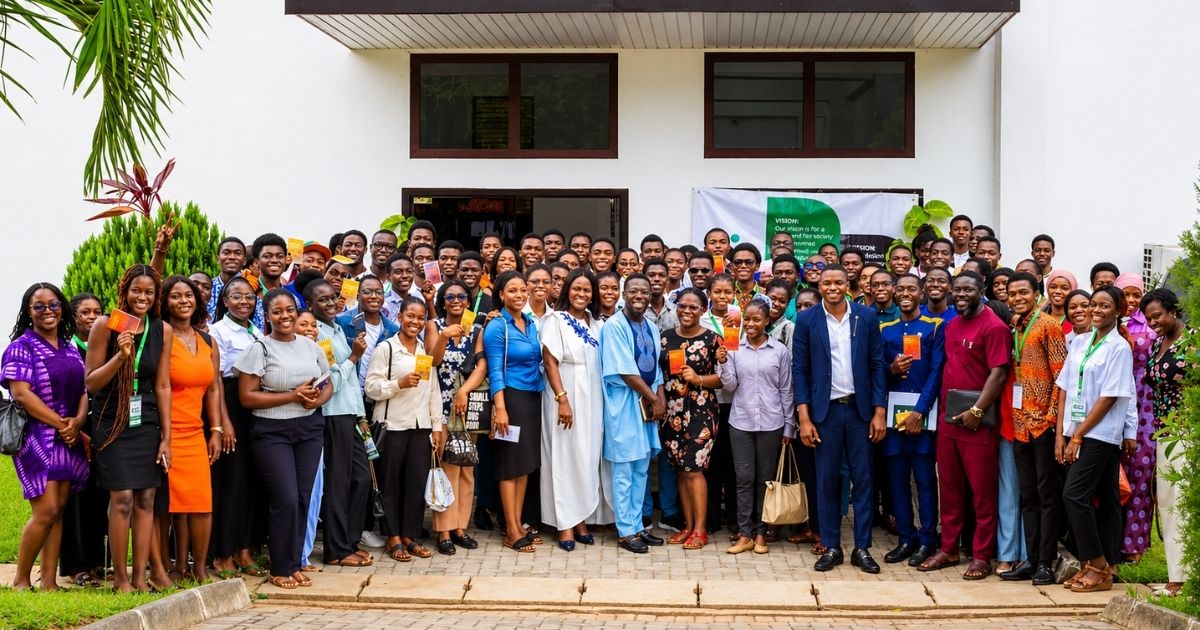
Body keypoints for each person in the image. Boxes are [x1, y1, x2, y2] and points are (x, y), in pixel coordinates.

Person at [793, 264, 887, 574]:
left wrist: (879, 412)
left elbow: (876, 366)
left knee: (863, 479)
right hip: (825, 413)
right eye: (826, 283)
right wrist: (804, 419)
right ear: (818, 286)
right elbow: (801, 371)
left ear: (849, 284)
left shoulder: (866, 316)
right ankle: (832, 545)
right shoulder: (807, 320)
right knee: (827, 480)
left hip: (859, 412)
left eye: (838, 282)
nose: (832, 287)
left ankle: (861, 547)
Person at [84, 265, 173, 593]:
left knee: (147, 498)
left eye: (149, 292)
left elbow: (162, 386)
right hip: (111, 420)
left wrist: (167, 438)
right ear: (125, 290)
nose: (143, 297)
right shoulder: (105, 325)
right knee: (121, 498)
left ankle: (140, 576)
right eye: (137, 290)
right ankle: (120, 580)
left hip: (146, 419)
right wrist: (121, 358)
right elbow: (91, 383)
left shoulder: (161, 329)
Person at [235, 289, 331, 589]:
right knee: (286, 499)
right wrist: (293, 395)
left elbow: (327, 383)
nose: (285, 316)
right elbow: (247, 397)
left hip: (309, 429)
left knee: (302, 498)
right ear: (267, 316)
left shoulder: (310, 345)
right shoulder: (259, 348)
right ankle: (279, 567)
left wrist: (318, 401)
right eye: (277, 312)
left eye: (290, 310)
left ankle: (294, 564)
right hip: (271, 432)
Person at [918, 271, 1011, 580]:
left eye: (968, 289)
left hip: (977, 423)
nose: (961, 294)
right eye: (956, 289)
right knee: (951, 489)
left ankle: (982, 555)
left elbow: (998, 373)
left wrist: (977, 409)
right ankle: (949, 549)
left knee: (982, 493)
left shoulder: (994, 327)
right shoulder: (950, 325)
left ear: (981, 290)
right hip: (948, 422)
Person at [3, 283, 90, 591]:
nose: (48, 311)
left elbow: (84, 389)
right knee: (46, 510)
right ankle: (21, 580)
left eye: (53, 305)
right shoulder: (20, 347)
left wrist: (77, 422)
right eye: (39, 306)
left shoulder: (69, 346)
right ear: (29, 312)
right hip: (36, 436)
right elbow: (22, 394)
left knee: (60, 509)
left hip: (69, 436)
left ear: (62, 308)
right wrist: (61, 424)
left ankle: (50, 583)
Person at [1057, 286, 1137, 593]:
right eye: (1093, 305)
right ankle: (1106, 564)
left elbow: (1108, 397)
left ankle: (1097, 564)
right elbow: (1065, 385)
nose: (1096, 310)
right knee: (1107, 497)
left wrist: (1078, 436)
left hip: (1100, 434)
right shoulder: (1080, 340)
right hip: (1077, 430)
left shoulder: (1120, 348)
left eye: (1105, 306)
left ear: (1118, 311)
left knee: (1073, 494)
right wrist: (1063, 435)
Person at [1000, 272, 1067, 586]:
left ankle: (1045, 562)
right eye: (1012, 293)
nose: (1016, 298)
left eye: (1023, 292)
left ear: (1036, 293)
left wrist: (1053, 420)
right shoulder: (1017, 326)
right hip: (1019, 424)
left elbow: (1061, 379)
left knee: (1046, 496)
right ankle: (1030, 559)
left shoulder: (1049, 326)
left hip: (1043, 425)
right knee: (1027, 495)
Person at [365, 297, 443, 562]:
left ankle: (410, 536)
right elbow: (371, 388)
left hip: (420, 427)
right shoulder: (386, 349)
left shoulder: (424, 351)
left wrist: (437, 427)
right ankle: (392, 537)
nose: (415, 322)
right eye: (410, 316)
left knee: (414, 483)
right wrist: (398, 383)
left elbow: (434, 391)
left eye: (420, 318)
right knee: (390, 483)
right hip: (392, 426)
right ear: (400, 317)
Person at [304, 279, 373, 568]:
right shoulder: (316, 334)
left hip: (349, 415)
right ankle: (335, 550)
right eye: (323, 300)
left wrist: (361, 416)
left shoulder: (336, 329)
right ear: (310, 306)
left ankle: (349, 542)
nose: (331, 303)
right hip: (332, 415)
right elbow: (330, 379)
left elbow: (351, 385)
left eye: (333, 298)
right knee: (338, 484)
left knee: (361, 479)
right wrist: (355, 357)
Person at [878, 274, 943, 567]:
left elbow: (936, 372)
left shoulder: (935, 327)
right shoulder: (884, 328)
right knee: (896, 480)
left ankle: (928, 538)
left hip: (923, 417)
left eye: (911, 289)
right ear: (893, 291)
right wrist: (891, 368)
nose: (905, 293)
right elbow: (876, 369)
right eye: (900, 288)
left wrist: (920, 411)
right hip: (894, 418)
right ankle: (906, 536)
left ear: (921, 293)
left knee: (926, 481)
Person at [161, 276, 223, 583]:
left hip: (195, 432)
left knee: (200, 503)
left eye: (189, 295)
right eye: (175, 296)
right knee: (167, 507)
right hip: (163, 433)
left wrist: (216, 429)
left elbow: (213, 390)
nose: (183, 300)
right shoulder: (161, 336)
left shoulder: (208, 341)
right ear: (165, 302)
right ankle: (169, 567)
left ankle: (198, 566)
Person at [539, 270, 607, 551]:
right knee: (563, 456)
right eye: (576, 289)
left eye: (587, 290)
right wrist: (562, 398)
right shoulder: (554, 320)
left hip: (591, 394)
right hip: (565, 392)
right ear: (567, 290)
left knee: (587, 456)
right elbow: (550, 359)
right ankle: (564, 523)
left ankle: (581, 518)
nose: (582, 294)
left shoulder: (596, 322)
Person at [600, 274, 666, 554]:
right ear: (623, 294)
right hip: (625, 404)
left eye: (645, 292)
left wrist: (659, 397)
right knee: (624, 469)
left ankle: (638, 525)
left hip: (647, 404)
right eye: (633, 291)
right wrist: (653, 399)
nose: (639, 296)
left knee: (641, 467)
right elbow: (625, 370)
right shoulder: (614, 326)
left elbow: (658, 368)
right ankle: (626, 531)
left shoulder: (650, 325)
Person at [483, 272, 545, 553]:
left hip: (532, 399)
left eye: (523, 290)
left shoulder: (530, 323)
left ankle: (519, 523)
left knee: (524, 466)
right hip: (510, 400)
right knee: (509, 465)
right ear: (501, 295)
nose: (519, 295)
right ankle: (510, 529)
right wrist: (500, 408)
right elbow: (495, 369)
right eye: (512, 291)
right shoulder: (498, 327)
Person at [723, 299, 791, 555]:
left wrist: (789, 428)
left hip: (772, 423)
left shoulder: (779, 350)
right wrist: (722, 361)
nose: (750, 324)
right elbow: (729, 386)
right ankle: (744, 534)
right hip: (740, 422)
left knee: (765, 480)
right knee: (743, 480)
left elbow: (786, 390)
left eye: (756, 320)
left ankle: (762, 533)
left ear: (766, 322)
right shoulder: (733, 348)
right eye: (747, 319)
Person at [208, 277, 265, 578]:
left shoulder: (257, 331)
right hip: (229, 403)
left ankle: (245, 549)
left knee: (250, 484)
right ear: (225, 300)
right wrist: (223, 423)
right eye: (236, 297)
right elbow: (214, 380)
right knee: (230, 485)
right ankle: (223, 553)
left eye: (249, 297)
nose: (244, 302)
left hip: (254, 406)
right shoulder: (217, 331)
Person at [658, 288, 724, 550]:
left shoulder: (713, 339)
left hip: (701, 411)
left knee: (694, 469)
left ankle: (700, 528)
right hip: (672, 412)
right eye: (682, 306)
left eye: (693, 307)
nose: (687, 311)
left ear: (703, 310)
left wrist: (698, 379)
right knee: (680, 471)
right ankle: (687, 525)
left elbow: (726, 378)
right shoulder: (664, 338)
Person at [426, 280, 482, 556]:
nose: (457, 300)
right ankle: (444, 531)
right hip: (441, 405)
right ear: (443, 301)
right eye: (450, 296)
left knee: (467, 468)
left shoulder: (477, 330)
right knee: (446, 468)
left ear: (468, 301)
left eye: (462, 296)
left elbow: (482, 365)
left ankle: (461, 527)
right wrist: (445, 336)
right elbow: (431, 362)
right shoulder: (434, 327)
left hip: (467, 405)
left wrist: (465, 391)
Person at [58, 293, 109, 588]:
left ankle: (95, 561)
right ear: (73, 316)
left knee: (99, 498)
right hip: (75, 428)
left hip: (106, 428)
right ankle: (75, 566)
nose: (92, 316)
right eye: (85, 312)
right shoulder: (68, 350)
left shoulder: (105, 345)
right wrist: (78, 428)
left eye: (97, 311)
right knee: (76, 499)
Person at [1142, 289, 1188, 596]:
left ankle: (1184, 581)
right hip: (1163, 433)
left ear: (1173, 311)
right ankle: (1176, 577)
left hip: (1188, 434)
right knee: (1168, 506)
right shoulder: (1158, 344)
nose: (1153, 322)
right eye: (1148, 318)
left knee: (1184, 505)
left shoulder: (1193, 342)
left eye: (1157, 315)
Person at [1114, 272, 1156, 563]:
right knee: (1114, 479)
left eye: (1135, 294)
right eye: (1125, 294)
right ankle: (1112, 541)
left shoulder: (1151, 328)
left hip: (1145, 410)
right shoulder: (1106, 324)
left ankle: (1135, 547)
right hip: (1113, 405)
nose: (1130, 301)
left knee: (1140, 478)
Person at [207, 237, 247, 320]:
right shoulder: (207, 287)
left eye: (237, 253)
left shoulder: (253, 287)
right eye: (226, 253)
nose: (232, 257)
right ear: (218, 259)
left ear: (244, 261)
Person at [1042, 269, 1079, 334]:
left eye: (1064, 288)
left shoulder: (1077, 319)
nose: (1057, 291)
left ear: (1072, 290)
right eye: (1053, 287)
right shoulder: (1037, 317)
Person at [730, 244, 762, 308]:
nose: (743, 266)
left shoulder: (765, 294)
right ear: (732, 267)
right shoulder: (724, 294)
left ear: (757, 266)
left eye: (749, 262)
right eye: (737, 262)